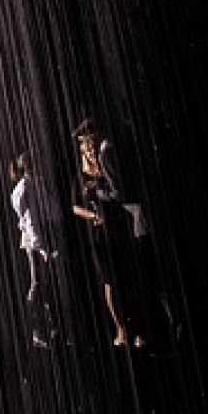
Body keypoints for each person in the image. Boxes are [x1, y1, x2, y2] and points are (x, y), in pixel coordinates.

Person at [69, 117, 148, 349]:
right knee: (110, 283)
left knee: (130, 278)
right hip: (100, 234)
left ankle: (139, 329)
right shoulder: (80, 177)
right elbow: (73, 206)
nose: (91, 150)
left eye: (92, 144)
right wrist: (92, 215)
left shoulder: (104, 169)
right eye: (87, 146)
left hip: (118, 227)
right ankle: (121, 327)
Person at [10, 152, 64, 348]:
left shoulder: (35, 183)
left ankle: (50, 327)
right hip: (35, 238)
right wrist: (40, 246)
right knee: (37, 282)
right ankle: (37, 329)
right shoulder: (24, 188)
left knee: (44, 282)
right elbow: (29, 220)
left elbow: (48, 208)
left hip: (43, 233)